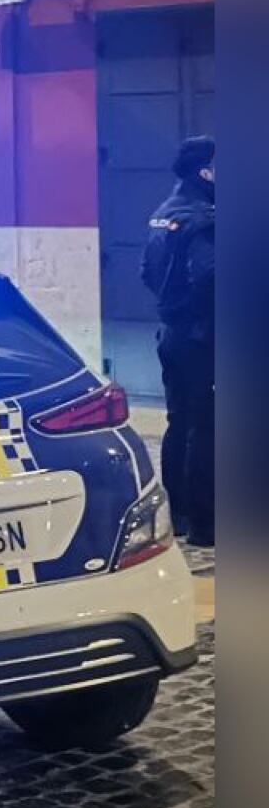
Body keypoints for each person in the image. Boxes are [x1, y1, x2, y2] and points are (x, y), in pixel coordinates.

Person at [141, 135, 214, 546]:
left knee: (180, 421)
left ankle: (182, 516)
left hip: (172, 332)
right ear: (205, 171)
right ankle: (207, 526)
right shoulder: (203, 218)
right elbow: (211, 277)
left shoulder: (165, 212)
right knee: (207, 426)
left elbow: (146, 273)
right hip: (204, 336)